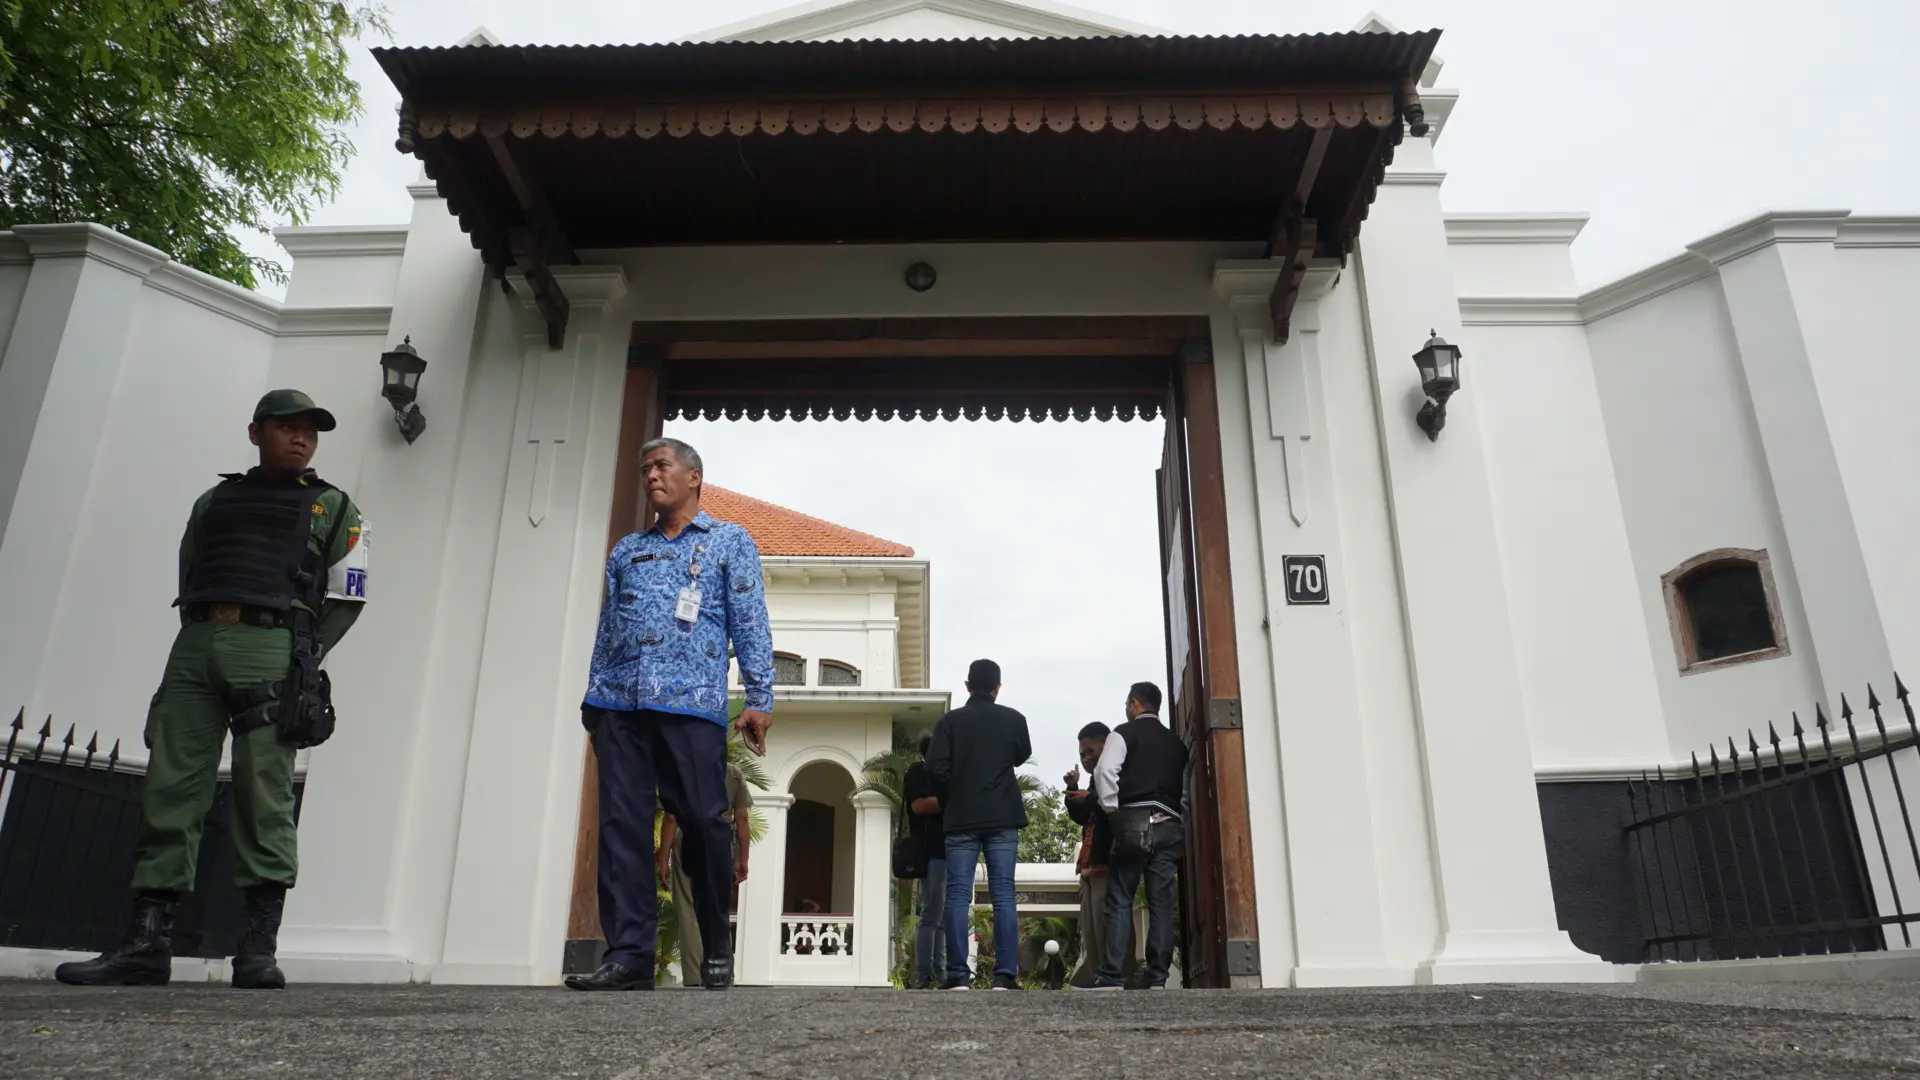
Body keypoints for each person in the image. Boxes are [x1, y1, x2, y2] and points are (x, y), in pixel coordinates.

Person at [56, 390, 369, 990]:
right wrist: (206, 637)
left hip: (274, 648)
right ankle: (147, 944)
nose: (301, 439)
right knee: (170, 786)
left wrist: (305, 655)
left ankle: (255, 950)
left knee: (264, 793)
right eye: (287, 428)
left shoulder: (335, 507)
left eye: (310, 431)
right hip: (198, 643)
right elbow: (190, 571)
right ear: (256, 433)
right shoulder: (214, 500)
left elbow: (350, 594)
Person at [567, 437, 774, 992]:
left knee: (706, 820)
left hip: (691, 702)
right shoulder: (626, 551)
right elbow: (607, 629)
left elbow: (750, 621)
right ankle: (629, 954)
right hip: (620, 704)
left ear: (694, 476)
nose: (652, 476)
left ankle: (714, 943)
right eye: (645, 469)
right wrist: (594, 702)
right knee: (622, 826)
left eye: (662, 466)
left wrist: (759, 698)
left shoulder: (730, 542)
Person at [927, 658, 1031, 991]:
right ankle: (1004, 975)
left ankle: (957, 975)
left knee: (957, 894)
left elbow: (934, 770)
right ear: (997, 688)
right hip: (1003, 817)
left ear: (968, 685)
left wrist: (951, 796)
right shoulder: (1015, 720)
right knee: (1004, 894)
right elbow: (1020, 755)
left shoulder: (950, 722)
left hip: (960, 818)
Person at [1092, 681, 1186, 991]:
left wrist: (1111, 810)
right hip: (1170, 824)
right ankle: (1157, 978)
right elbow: (1185, 793)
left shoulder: (1124, 732)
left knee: (1120, 898)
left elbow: (1105, 770)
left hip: (1133, 822)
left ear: (1134, 704)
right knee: (1161, 901)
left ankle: (1113, 976)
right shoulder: (1177, 743)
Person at [659, 760, 754, 987]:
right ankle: (722, 973)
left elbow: (671, 818)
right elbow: (742, 818)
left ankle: (693, 975)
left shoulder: (683, 768)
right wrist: (743, 859)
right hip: (720, 837)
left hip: (687, 834)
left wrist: (663, 860)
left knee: (687, 907)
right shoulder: (733, 773)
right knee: (718, 907)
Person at [1062, 721, 1112, 989]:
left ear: (1105, 746)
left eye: (1090, 751)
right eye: (1082, 754)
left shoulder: (1116, 772)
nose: (1086, 758)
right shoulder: (1095, 779)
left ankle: (1114, 976)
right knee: (1091, 929)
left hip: (1108, 860)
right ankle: (1096, 977)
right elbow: (1085, 817)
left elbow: (1114, 807)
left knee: (1107, 924)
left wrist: (1089, 797)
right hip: (1090, 863)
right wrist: (1073, 791)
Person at [901, 730, 946, 989]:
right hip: (931, 851)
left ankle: (940, 972)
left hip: (949, 850)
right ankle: (924, 974)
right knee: (931, 915)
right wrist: (950, 801)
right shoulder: (917, 773)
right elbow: (919, 805)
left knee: (942, 917)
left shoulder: (944, 776)